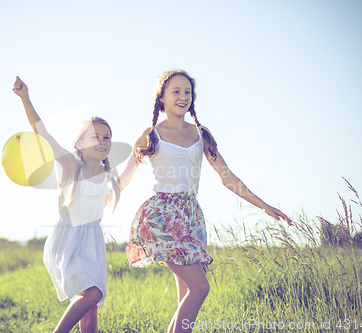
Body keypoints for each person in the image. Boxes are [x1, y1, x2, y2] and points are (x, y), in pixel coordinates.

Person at [117, 70, 292, 333]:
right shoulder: (150, 134)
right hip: (161, 218)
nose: (183, 96)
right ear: (161, 97)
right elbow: (124, 179)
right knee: (200, 287)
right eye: (176, 91)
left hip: (190, 219)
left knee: (185, 296)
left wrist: (264, 205)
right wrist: (101, 196)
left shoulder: (201, 135)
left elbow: (227, 177)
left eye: (187, 92)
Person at [12, 76, 120, 333]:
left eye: (107, 137)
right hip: (67, 241)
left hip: (92, 244)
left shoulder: (108, 176)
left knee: (90, 306)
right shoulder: (72, 167)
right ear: (80, 144)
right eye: (95, 136)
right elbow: (43, 133)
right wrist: (26, 98)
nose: (102, 141)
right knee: (92, 294)